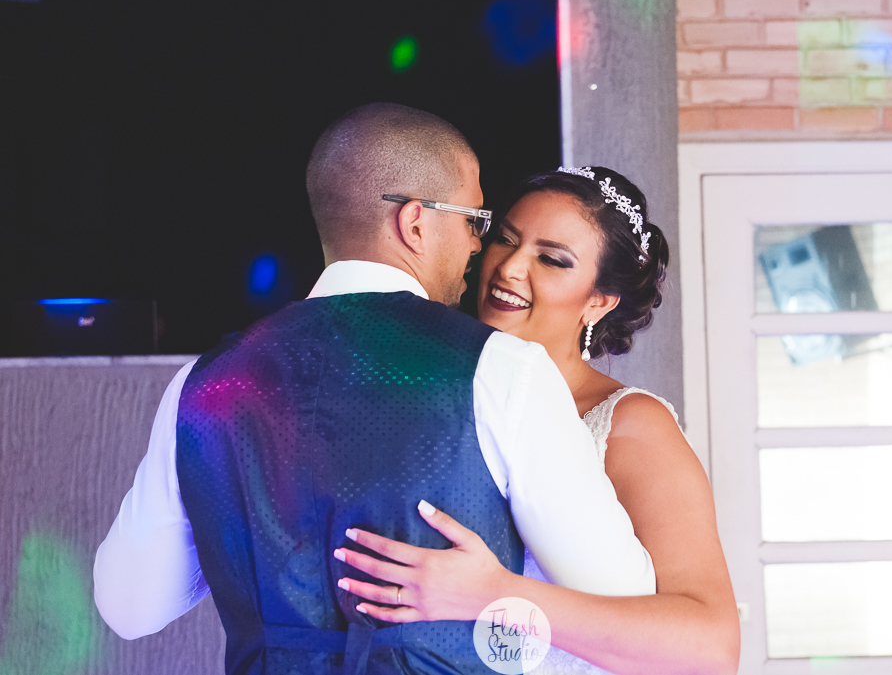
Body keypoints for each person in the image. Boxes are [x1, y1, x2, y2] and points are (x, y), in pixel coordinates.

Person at [92, 107, 659, 675]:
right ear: (415, 223)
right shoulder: (503, 368)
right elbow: (624, 598)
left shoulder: (204, 382)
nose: (474, 248)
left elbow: (129, 608)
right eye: (473, 221)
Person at [330, 166, 741, 674]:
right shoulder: (436, 391)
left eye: (551, 259)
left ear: (599, 301)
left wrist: (494, 594)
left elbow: (711, 650)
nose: (509, 268)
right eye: (504, 239)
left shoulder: (631, 424)